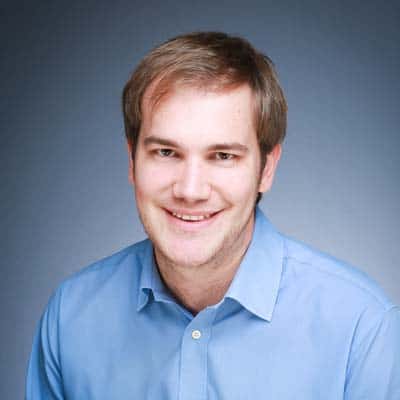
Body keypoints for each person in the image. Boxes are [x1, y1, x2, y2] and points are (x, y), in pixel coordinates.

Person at [26, 32, 399, 399]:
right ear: (132, 160)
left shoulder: (361, 330)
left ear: (266, 169)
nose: (190, 190)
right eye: (166, 152)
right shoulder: (71, 318)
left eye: (223, 156)